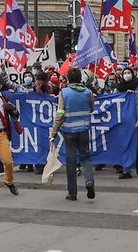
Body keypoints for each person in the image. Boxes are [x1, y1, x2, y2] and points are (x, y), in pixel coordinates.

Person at [53, 67, 96, 201]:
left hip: (69, 132)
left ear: (68, 79)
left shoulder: (64, 93)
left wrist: (54, 132)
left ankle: (72, 193)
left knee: (71, 162)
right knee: (86, 158)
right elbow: (92, 108)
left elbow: (60, 114)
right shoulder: (88, 92)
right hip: (84, 130)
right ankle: (89, 181)